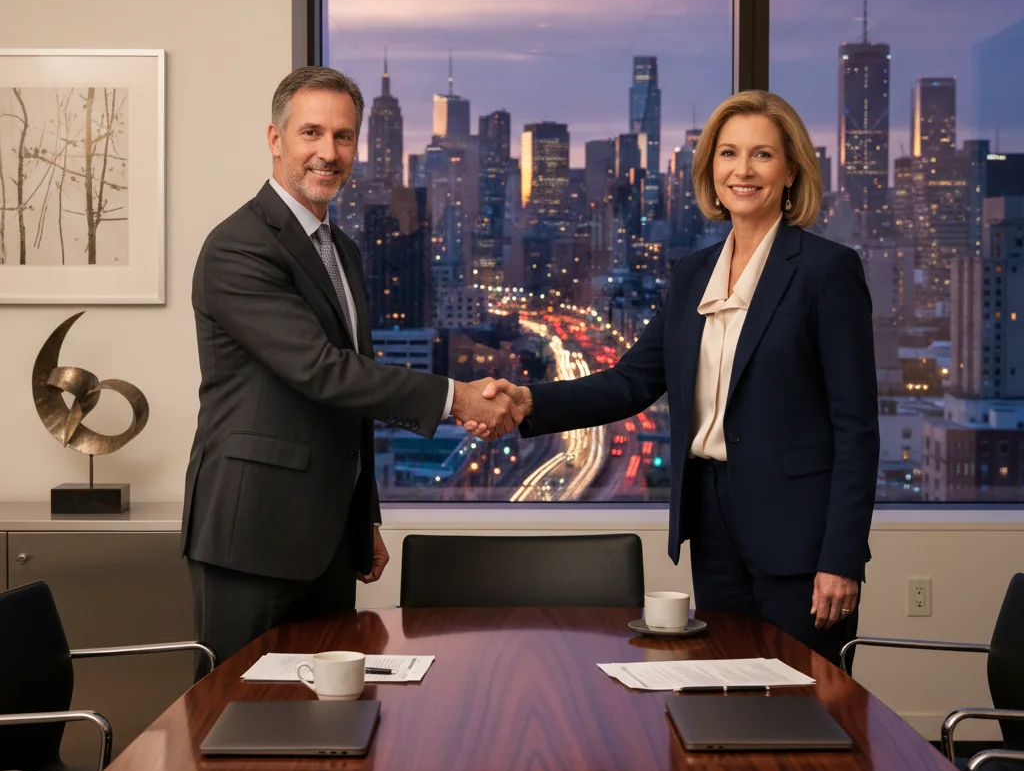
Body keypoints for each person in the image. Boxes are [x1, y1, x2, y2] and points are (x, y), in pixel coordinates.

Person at [470, 90, 879, 665]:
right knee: (724, 687)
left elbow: (856, 428)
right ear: (710, 169)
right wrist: (527, 401)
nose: (742, 170)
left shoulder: (827, 270)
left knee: (804, 699)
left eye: (762, 155)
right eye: (728, 154)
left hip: (800, 534)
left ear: (790, 171)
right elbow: (632, 382)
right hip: (711, 522)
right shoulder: (693, 274)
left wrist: (841, 557)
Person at [182, 66, 520, 669]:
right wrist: (458, 399)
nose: (329, 152)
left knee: (329, 712)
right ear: (275, 139)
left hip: (328, 539)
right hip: (252, 535)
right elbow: (324, 371)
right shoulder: (239, 246)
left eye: (343, 137)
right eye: (311, 132)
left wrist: (362, 517)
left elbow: (350, 397)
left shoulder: (341, 249)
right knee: (238, 710)